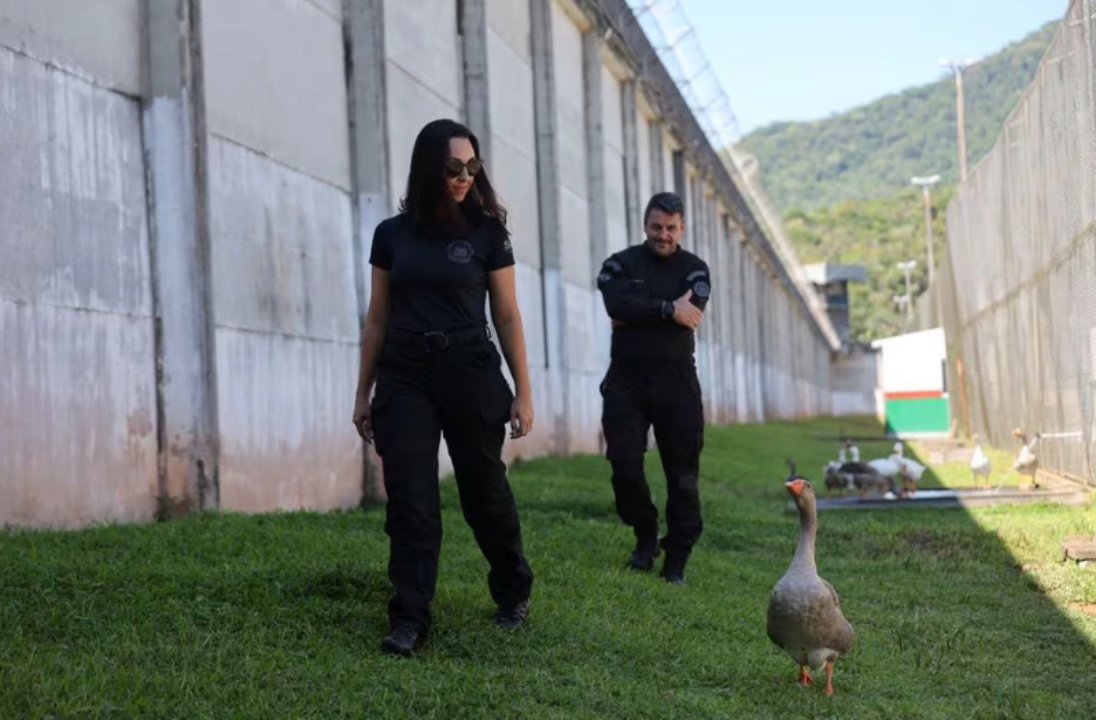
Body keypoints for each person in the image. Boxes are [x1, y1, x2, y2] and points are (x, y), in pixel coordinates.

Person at [352, 118, 536, 657]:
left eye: (472, 167)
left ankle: (512, 591)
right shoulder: (391, 235)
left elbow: (506, 314)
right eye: (454, 167)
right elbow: (377, 320)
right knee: (410, 498)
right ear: (430, 167)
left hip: (470, 368)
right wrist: (363, 393)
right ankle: (409, 617)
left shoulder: (486, 233)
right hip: (406, 371)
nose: (464, 177)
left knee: (485, 492)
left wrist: (523, 391)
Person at [595, 191, 711, 585]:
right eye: (657, 227)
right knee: (624, 466)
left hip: (676, 383)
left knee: (683, 478)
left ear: (682, 228)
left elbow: (692, 311)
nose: (664, 235)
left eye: (671, 228)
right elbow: (615, 304)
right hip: (626, 382)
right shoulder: (620, 263)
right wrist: (666, 309)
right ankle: (645, 534)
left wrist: (639, 309)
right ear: (645, 224)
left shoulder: (695, 269)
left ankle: (675, 559)